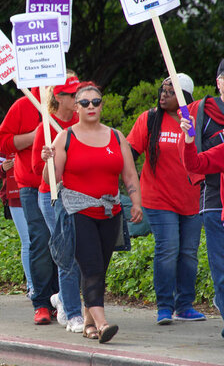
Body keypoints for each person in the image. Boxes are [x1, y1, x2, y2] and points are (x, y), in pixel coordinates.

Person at [41, 82, 142, 343]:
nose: (91, 107)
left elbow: (129, 174)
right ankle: (102, 323)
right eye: (85, 103)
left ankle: (88, 323)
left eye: (96, 102)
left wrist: (137, 202)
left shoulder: (117, 136)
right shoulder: (66, 136)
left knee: (99, 269)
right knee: (92, 267)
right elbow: (51, 179)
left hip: (110, 211)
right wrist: (48, 160)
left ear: (101, 105)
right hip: (78, 211)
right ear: (76, 107)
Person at [127, 74, 204, 325]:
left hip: (192, 197)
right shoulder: (149, 119)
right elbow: (129, 154)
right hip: (158, 198)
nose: (163, 95)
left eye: (171, 92)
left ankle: (184, 305)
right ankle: (164, 306)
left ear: (185, 97)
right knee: (168, 248)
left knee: (189, 253)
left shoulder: (195, 121)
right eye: (163, 90)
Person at [0, 88, 58, 325]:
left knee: (61, 241)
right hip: (31, 184)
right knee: (39, 241)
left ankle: (61, 299)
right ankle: (41, 302)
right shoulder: (23, 104)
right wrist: (37, 135)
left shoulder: (70, 103)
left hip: (63, 184)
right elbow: (1, 140)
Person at [181, 56, 224, 349]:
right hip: (217, 203)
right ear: (218, 82)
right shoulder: (204, 111)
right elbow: (194, 160)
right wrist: (218, 142)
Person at [31, 76, 83, 333]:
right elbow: (35, 168)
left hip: (80, 195)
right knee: (67, 252)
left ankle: (63, 296)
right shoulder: (45, 126)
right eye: (73, 95)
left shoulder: (83, 122)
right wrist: (46, 158)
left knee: (82, 253)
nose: (77, 100)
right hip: (51, 194)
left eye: (79, 94)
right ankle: (71, 309)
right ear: (58, 97)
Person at [0, 151, 33, 297]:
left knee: (43, 241)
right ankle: (31, 286)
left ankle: (47, 285)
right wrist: (3, 168)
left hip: (37, 194)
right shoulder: (6, 143)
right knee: (27, 242)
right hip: (15, 198)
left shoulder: (39, 135)